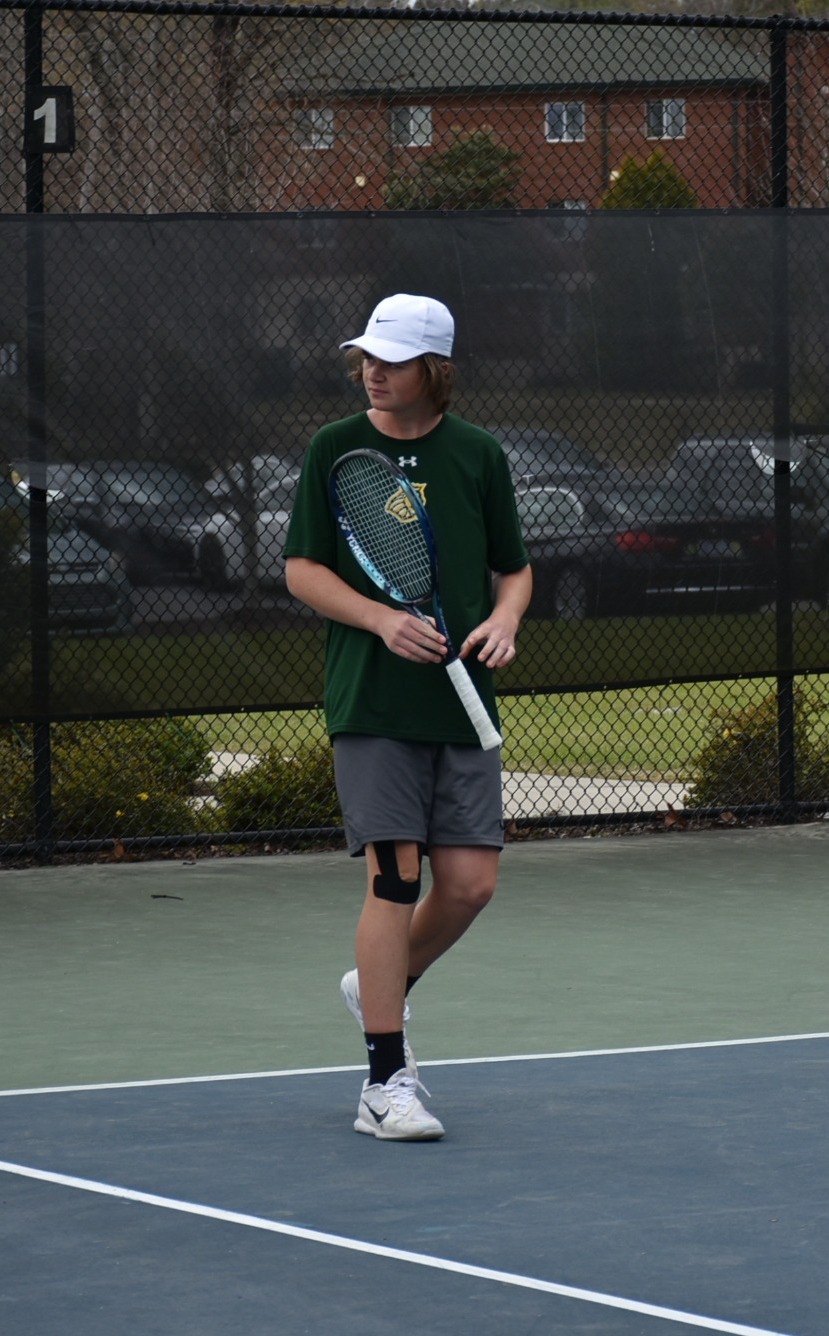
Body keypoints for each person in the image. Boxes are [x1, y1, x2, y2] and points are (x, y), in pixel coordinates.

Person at [282, 293, 532, 1141]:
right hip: (375, 704)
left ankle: (376, 984)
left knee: (469, 885)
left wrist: (503, 621)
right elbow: (303, 571)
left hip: (462, 706)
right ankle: (384, 1082)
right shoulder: (335, 448)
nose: (372, 370)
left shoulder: (478, 456)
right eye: (366, 356)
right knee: (394, 880)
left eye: (391, 358)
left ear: (436, 370)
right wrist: (381, 619)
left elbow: (514, 570)